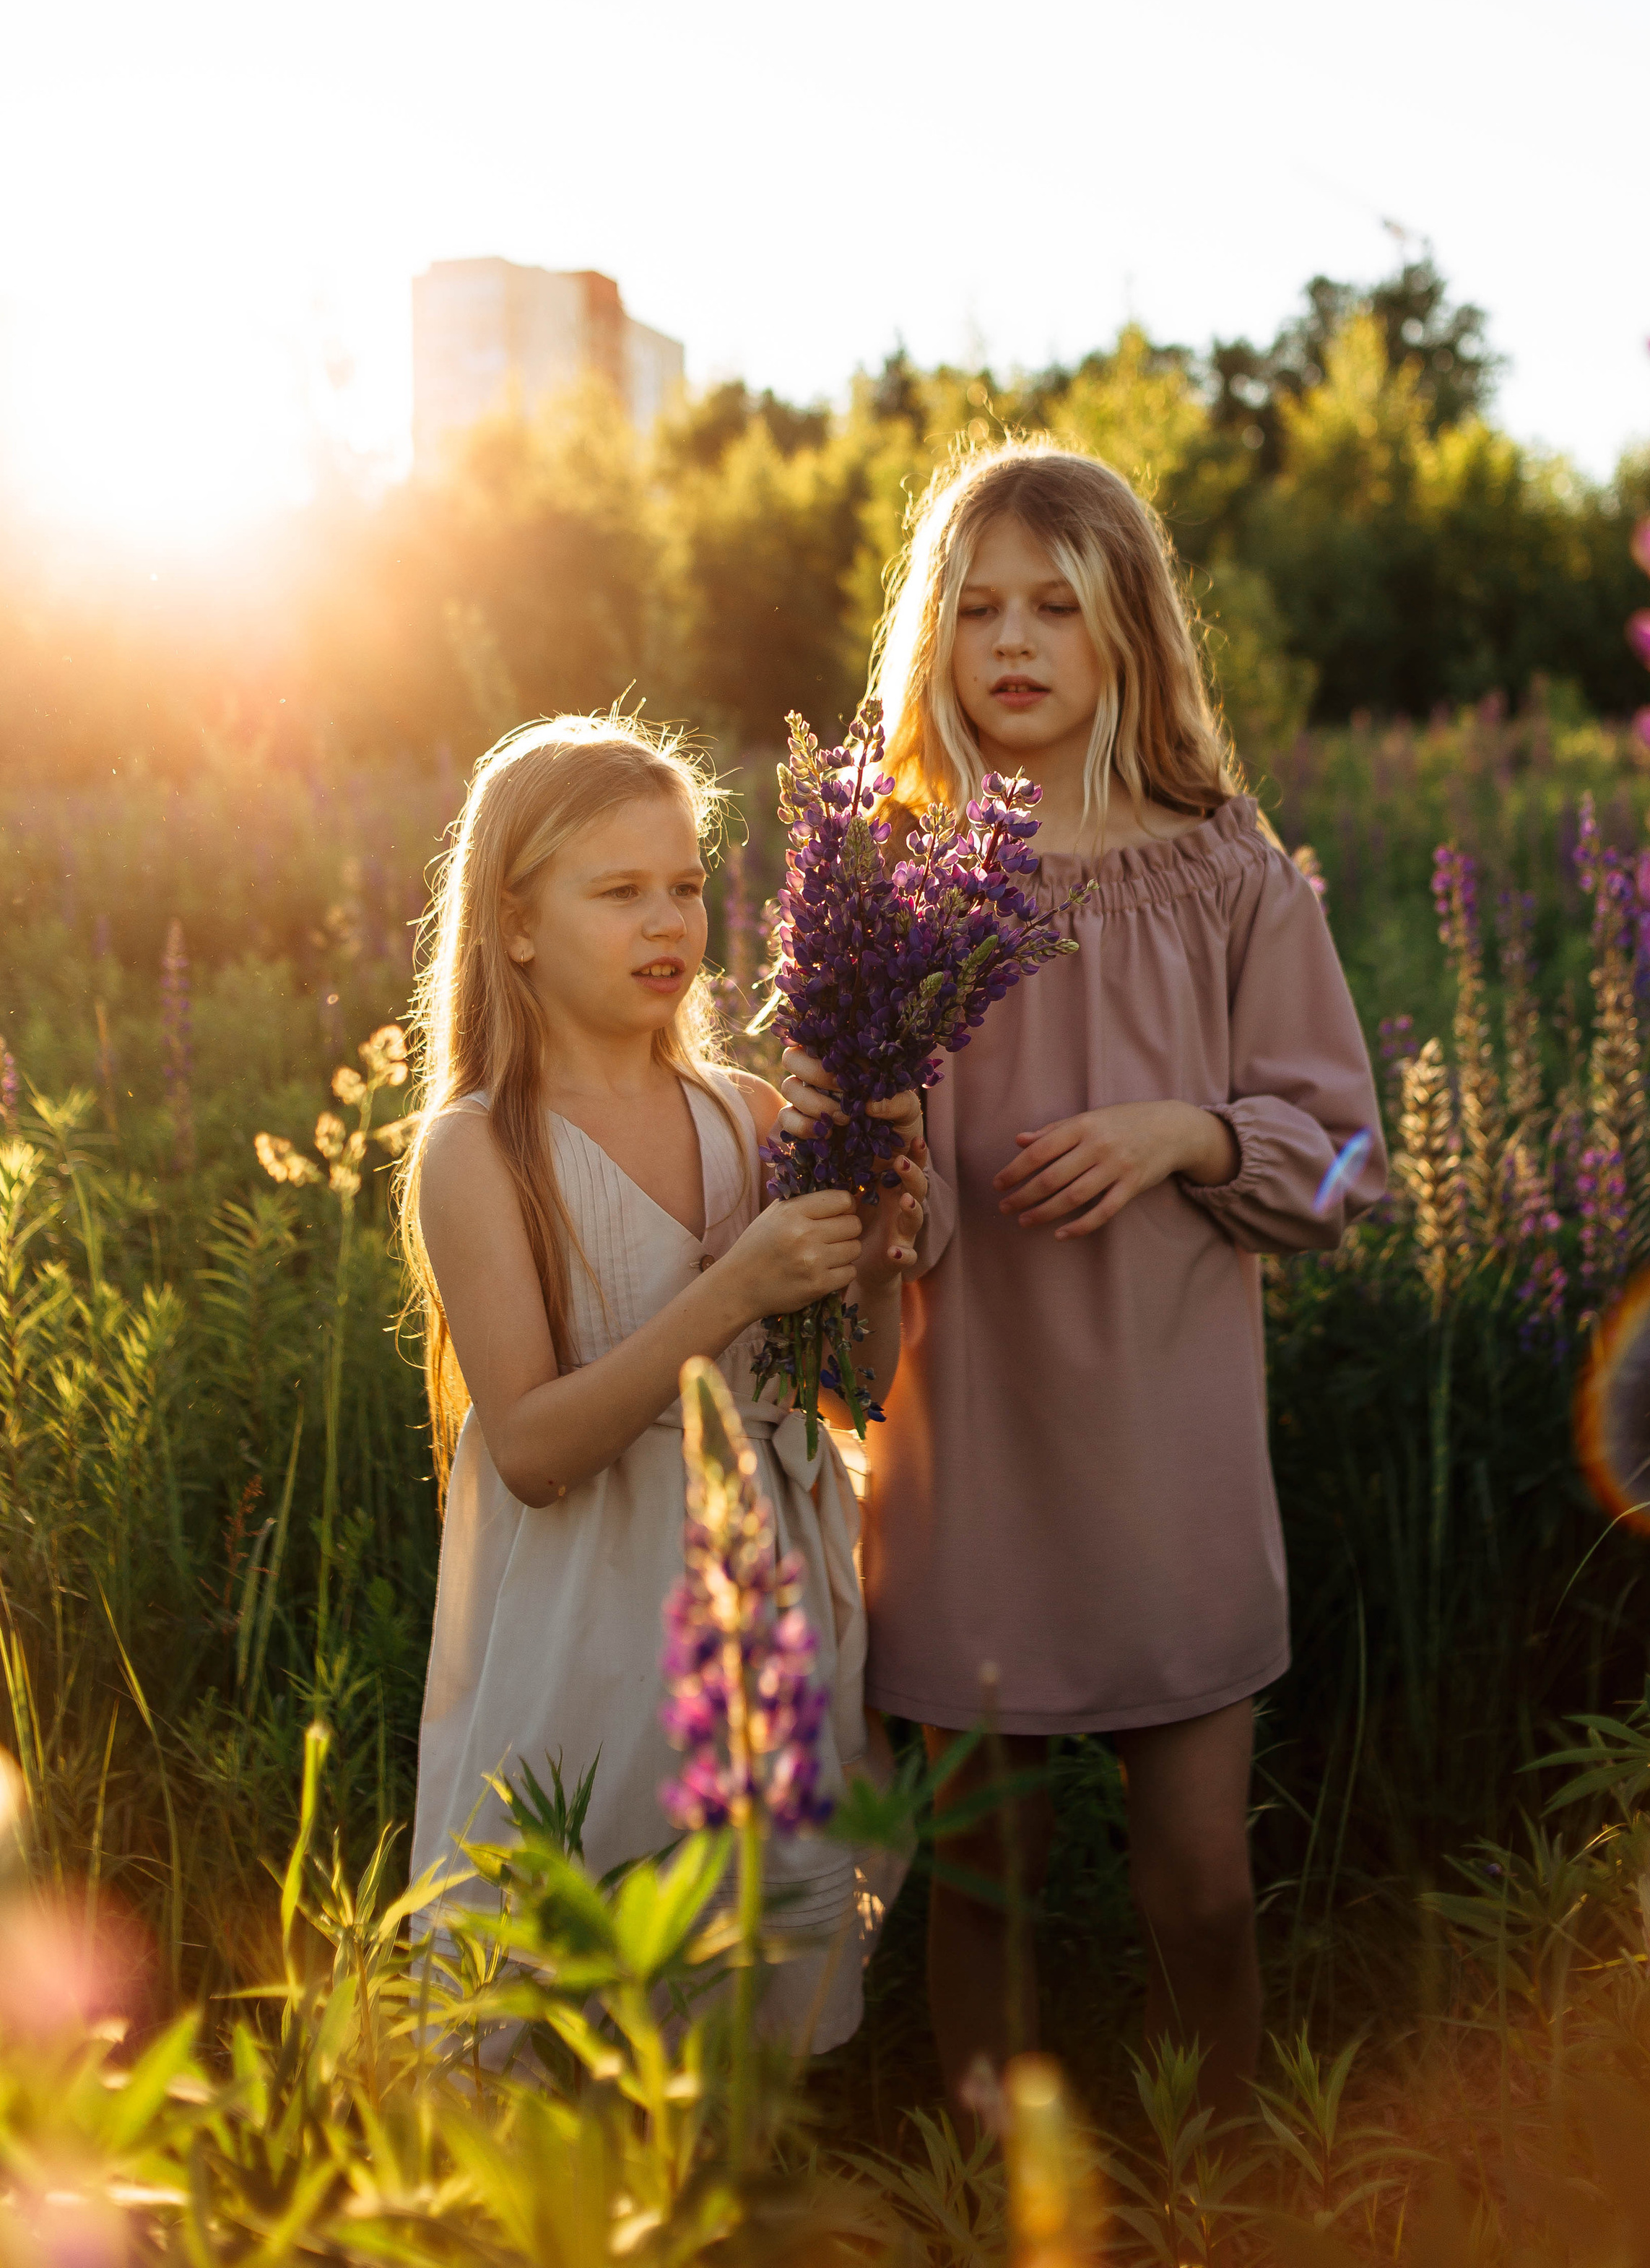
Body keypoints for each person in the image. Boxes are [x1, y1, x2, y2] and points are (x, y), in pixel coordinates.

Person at [783, 443, 1386, 2117]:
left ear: (1131, 629)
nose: (1013, 640)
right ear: (932, 640)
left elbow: (1344, 1163)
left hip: (1169, 1461)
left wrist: (1183, 1133)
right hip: (965, 1450)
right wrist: (872, 1152)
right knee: (980, 1884)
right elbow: (830, 1182)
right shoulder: (890, 894)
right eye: (975, 609)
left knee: (1196, 1884)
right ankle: (989, 2199)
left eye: (1056, 603)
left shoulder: (1227, 875)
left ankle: (1234, 2182)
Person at [401, 711, 927, 2053]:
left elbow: (848, 1390)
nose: (670, 921)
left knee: (749, 2015)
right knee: (576, 2011)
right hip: (586, 1627)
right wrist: (733, 1288)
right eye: (620, 891)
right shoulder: (481, 1152)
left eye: (687, 886)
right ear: (515, 924)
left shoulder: (747, 1116)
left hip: (759, 1615)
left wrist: (873, 1258)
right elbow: (530, 1446)